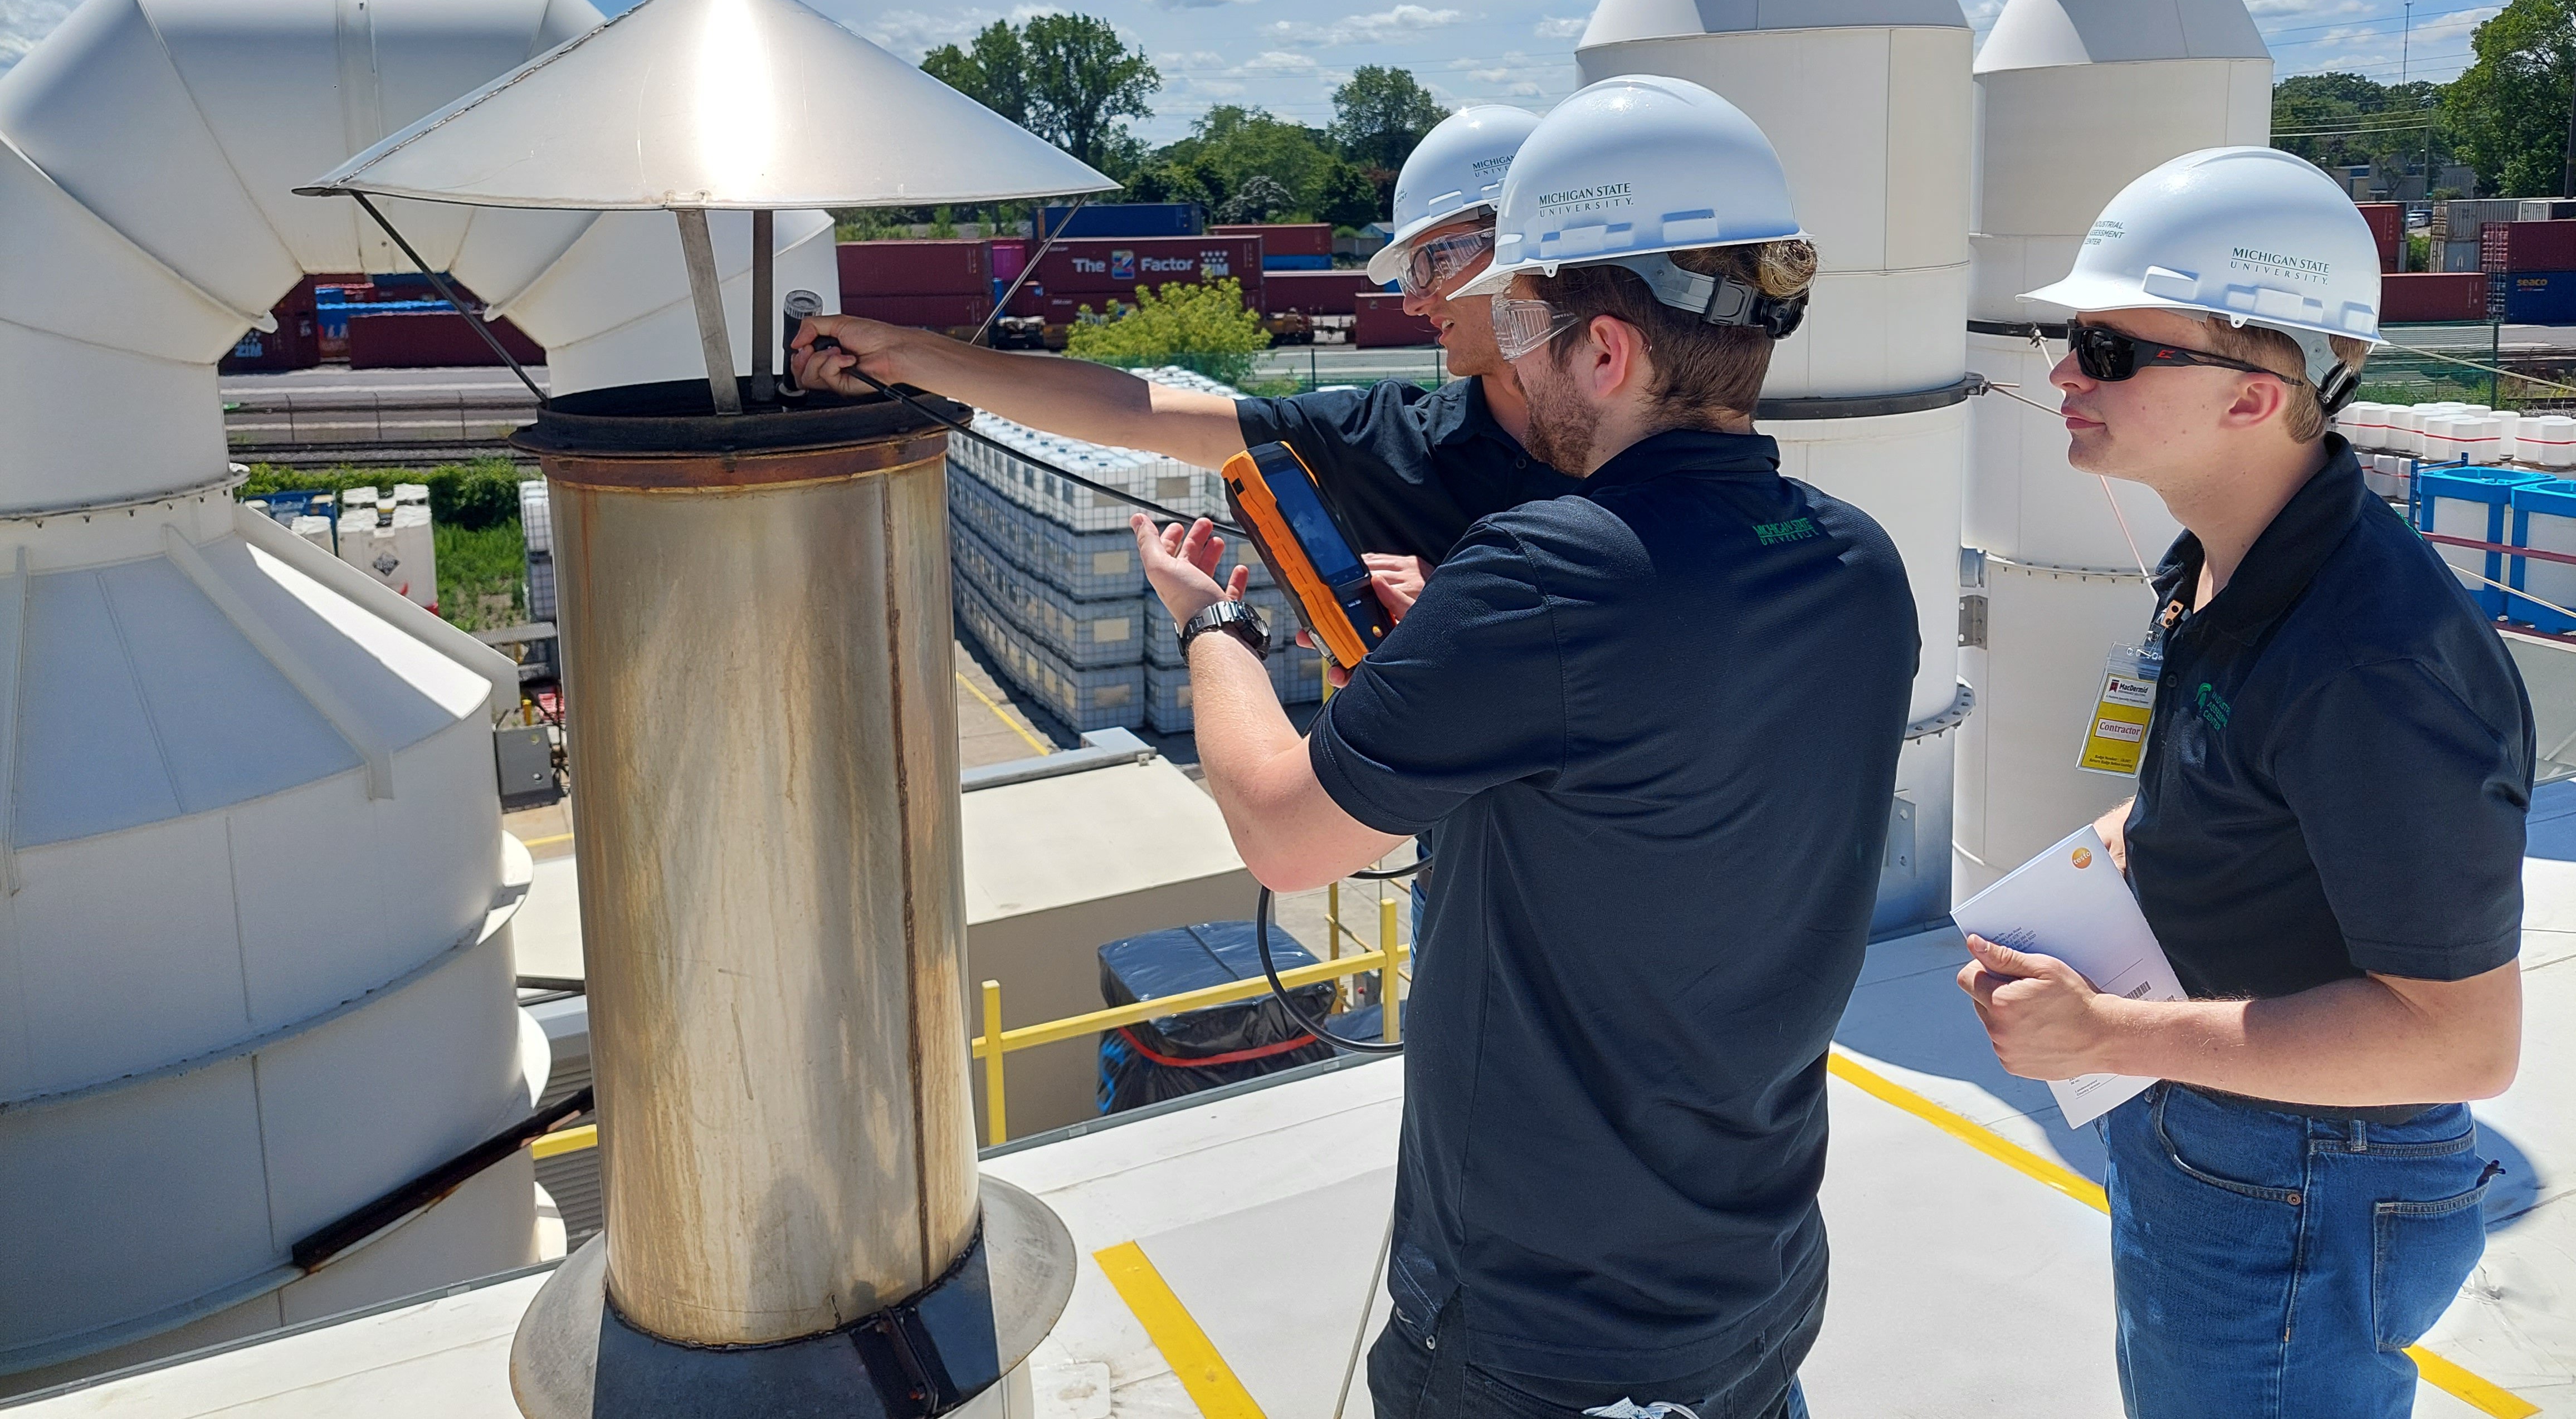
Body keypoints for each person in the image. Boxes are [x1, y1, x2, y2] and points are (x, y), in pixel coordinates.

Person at [1131, 75, 1918, 1419]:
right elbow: (1660, 771)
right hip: (1755, 1283)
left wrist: (1218, 630)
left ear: (1605, 352)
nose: (1494, 345)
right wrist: (1469, 660)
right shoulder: (1857, 561)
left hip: (1545, 1331)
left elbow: (1281, 829)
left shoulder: (1551, 578)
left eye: (1518, 317)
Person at [1954, 145, 2531, 1418]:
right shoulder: (2225, 561)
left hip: (2303, 1166)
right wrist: (2097, 876)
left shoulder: (2370, 663)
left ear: (2255, 396)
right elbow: (2236, 787)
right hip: (2235, 1127)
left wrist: (2103, 1035)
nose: (2060, 369)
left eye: (2108, 348)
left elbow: (2462, 1041)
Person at [791, 104, 1573, 605]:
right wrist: (905, 355)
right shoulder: (1391, 441)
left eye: (1431, 264)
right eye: (1407, 272)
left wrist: (1469, 612)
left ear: (1518, 243)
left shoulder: (1673, 432)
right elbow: (1138, 410)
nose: (1411, 300)